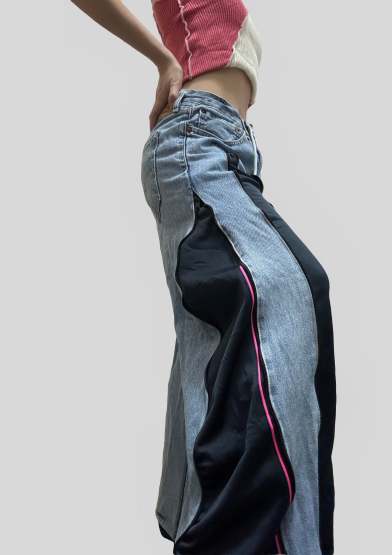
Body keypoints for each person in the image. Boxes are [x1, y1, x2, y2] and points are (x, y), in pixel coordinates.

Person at [70, 2, 337, 554]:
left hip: (227, 148)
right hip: (199, 139)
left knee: (219, 347)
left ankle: (202, 511)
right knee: (290, 294)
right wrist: (162, 58)